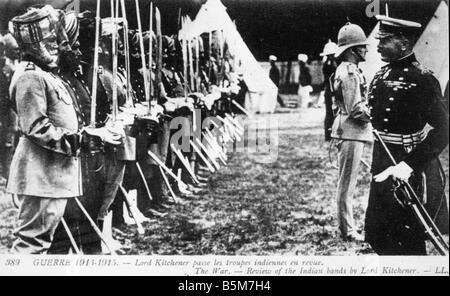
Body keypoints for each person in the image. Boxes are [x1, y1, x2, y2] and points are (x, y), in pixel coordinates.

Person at [7, 6, 118, 254]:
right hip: (40, 177)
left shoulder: (46, 74)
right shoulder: (29, 76)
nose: (56, 45)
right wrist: (79, 140)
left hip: (53, 175)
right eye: (49, 41)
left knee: (43, 244)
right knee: (32, 245)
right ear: (33, 45)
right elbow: (36, 127)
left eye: (56, 39)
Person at [365, 15, 449, 255]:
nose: (378, 45)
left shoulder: (422, 79)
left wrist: (409, 165)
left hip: (405, 164)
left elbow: (444, 130)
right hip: (382, 161)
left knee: (409, 235)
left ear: (403, 42)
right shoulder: (380, 76)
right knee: (378, 233)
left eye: (384, 40)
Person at [331, 22, 373, 241]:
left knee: (347, 182)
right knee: (347, 184)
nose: (366, 50)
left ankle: (347, 228)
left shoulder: (348, 70)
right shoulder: (349, 72)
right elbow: (356, 109)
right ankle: (347, 230)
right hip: (351, 131)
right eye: (363, 46)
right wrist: (375, 116)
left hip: (349, 131)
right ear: (353, 50)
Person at [320, 40, 338, 141]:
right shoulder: (330, 64)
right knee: (330, 113)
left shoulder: (328, 63)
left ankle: (330, 133)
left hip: (330, 90)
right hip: (331, 91)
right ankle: (329, 133)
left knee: (331, 113)